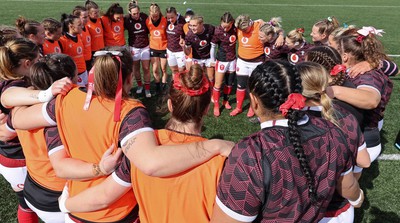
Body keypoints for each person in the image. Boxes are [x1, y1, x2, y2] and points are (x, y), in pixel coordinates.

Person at [11, 46, 233, 222]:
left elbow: (17, 120)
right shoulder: (133, 115)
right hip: (115, 212)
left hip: (78, 202)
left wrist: (45, 95)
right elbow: (150, 163)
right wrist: (213, 146)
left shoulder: (65, 99)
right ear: (128, 79)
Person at [58, 64, 226, 223]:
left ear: (170, 105)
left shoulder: (138, 146)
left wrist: (65, 204)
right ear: (206, 109)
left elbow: (104, 196)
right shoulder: (221, 160)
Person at [210, 60, 363, 223]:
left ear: (254, 101)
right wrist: (357, 198)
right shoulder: (333, 131)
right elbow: (347, 185)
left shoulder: (251, 154)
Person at [3, 53, 117, 223]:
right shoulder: (65, 115)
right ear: (70, 80)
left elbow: (5, 129)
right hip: (56, 195)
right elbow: (62, 166)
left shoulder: (22, 105)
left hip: (33, 186)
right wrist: (100, 169)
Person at [297, 61, 370, 222]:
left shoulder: (287, 119)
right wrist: (357, 197)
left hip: (297, 207)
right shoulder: (346, 117)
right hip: (336, 209)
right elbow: (364, 161)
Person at [329, 27, 393, 162]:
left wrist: (332, 91)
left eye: (334, 50)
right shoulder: (352, 69)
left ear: (345, 56)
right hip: (359, 134)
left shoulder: (365, 75)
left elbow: (371, 99)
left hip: (365, 139)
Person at [210, 12, 237, 117]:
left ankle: (225, 101)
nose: (225, 29)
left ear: (232, 23)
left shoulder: (235, 29)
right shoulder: (217, 31)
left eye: (228, 26)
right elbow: (212, 45)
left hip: (233, 60)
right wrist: (212, 60)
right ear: (221, 22)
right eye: (223, 26)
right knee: (218, 84)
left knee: (229, 84)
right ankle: (216, 105)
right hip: (221, 60)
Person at [125, 1, 151, 98]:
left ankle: (147, 88)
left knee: (146, 68)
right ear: (130, 13)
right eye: (134, 14)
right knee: (136, 68)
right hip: (134, 48)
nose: (136, 15)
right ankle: (140, 86)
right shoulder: (127, 19)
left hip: (145, 47)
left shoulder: (144, 17)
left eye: (137, 13)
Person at [183, 15, 215, 86]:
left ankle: (211, 93)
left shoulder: (210, 28)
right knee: (196, 78)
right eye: (190, 25)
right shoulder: (189, 35)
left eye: (194, 25)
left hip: (208, 57)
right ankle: (199, 93)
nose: (192, 28)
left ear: (201, 24)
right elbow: (188, 53)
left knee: (211, 77)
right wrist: (183, 47)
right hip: (197, 58)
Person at [59, 14, 87, 87]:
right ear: (71, 26)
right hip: (74, 75)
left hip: (84, 71)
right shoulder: (62, 40)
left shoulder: (79, 36)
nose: (82, 26)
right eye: (79, 25)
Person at [146, 3, 168, 95]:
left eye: (156, 16)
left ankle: (163, 85)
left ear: (159, 13)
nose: (155, 18)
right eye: (153, 16)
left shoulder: (165, 20)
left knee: (163, 68)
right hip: (153, 48)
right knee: (155, 69)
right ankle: (157, 86)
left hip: (163, 47)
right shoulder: (147, 21)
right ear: (150, 14)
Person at [165, 6, 186, 74]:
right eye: (168, 18)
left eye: (172, 17)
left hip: (180, 51)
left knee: (182, 70)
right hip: (170, 50)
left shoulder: (183, 21)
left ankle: (182, 84)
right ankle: (175, 84)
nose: (170, 20)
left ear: (176, 14)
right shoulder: (166, 21)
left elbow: (188, 34)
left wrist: (183, 39)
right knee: (174, 70)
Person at [72, 5, 93, 71]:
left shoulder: (86, 27)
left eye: (88, 16)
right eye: (84, 17)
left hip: (89, 60)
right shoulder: (76, 32)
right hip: (81, 64)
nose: (87, 19)